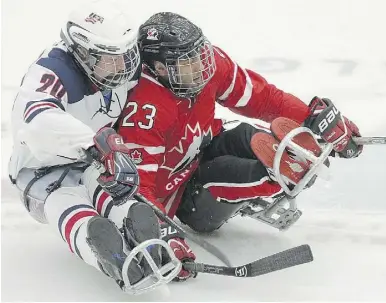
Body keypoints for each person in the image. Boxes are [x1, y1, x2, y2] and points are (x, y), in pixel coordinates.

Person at [116, 12, 364, 282]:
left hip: (204, 144)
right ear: (160, 68)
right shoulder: (144, 110)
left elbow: (262, 98)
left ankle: (289, 162)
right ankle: (277, 175)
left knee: (248, 135)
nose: (203, 64)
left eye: (201, 52)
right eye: (189, 61)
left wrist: (312, 118)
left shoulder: (207, 64)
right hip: (179, 194)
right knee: (232, 173)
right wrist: (162, 236)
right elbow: (138, 190)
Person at [8, 1, 183, 294]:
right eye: (112, 57)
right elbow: (36, 119)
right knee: (68, 206)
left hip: (93, 160)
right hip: (39, 172)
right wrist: (96, 143)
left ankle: (144, 237)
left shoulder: (119, 68)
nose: (125, 65)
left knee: (118, 200)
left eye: (128, 54)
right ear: (82, 52)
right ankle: (105, 253)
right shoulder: (51, 71)